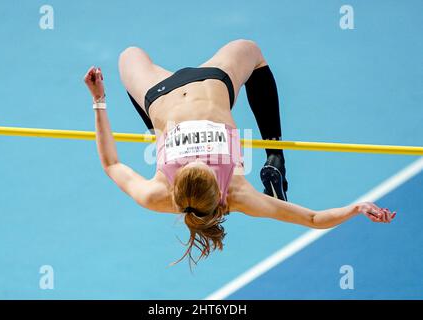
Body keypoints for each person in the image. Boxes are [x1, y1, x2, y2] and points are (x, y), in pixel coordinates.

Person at [84, 39, 396, 266]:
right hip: (211, 82)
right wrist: (356, 209)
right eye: (203, 163)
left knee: (129, 55)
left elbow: (111, 164)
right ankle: (275, 153)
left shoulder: (157, 194)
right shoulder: (238, 194)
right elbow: (313, 218)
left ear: (176, 187)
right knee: (251, 51)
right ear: (220, 189)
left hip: (159, 92)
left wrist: (99, 100)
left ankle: (156, 131)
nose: (198, 157)